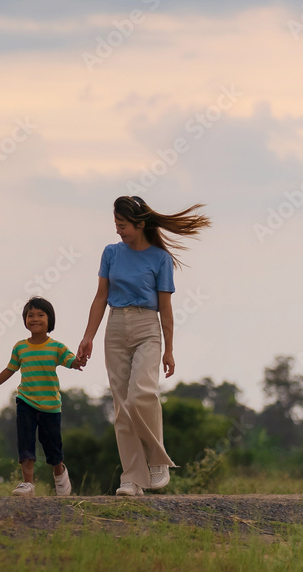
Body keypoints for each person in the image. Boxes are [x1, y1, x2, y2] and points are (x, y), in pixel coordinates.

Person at [76, 195, 211, 496]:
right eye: (116, 224)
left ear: (139, 224)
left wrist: (170, 349)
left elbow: (166, 308)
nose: (118, 231)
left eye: (122, 225)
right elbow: (100, 297)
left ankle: (157, 460)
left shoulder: (160, 259)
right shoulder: (111, 253)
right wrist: (89, 336)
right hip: (115, 326)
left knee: (141, 395)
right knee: (122, 407)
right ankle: (132, 478)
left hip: (148, 328)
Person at [0, 296, 84, 498]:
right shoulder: (20, 347)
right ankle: (27, 484)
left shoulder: (56, 347)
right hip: (25, 401)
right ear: (25, 320)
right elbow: (9, 369)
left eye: (40, 315)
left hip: (51, 406)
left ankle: (59, 473)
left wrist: (78, 362)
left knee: (52, 445)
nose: (34, 319)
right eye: (30, 315)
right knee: (25, 443)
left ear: (49, 320)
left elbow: (71, 360)